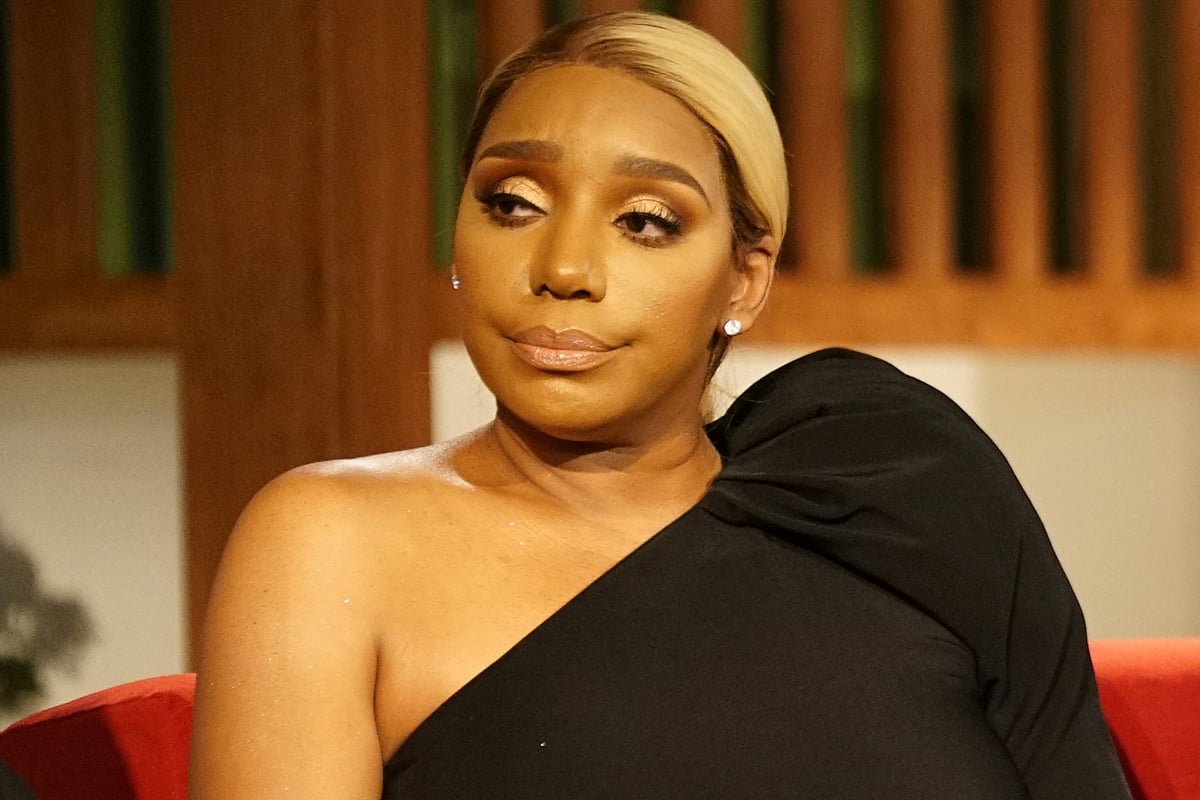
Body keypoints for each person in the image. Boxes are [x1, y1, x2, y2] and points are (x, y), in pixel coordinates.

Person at [189, 11, 1132, 799]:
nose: (563, 268)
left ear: (744, 279)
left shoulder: (887, 472)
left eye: (645, 221)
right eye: (512, 202)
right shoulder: (329, 540)